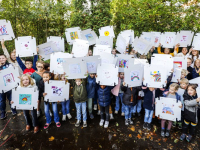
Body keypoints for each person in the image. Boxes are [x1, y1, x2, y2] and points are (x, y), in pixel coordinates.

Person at [0, 54, 17, 119]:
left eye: (3, 58)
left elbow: (13, 73)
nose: (1, 59)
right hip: (1, 86)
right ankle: (3, 112)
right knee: (2, 100)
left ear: (6, 59)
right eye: (0, 58)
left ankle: (13, 109)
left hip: (9, 85)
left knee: (11, 98)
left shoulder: (9, 65)